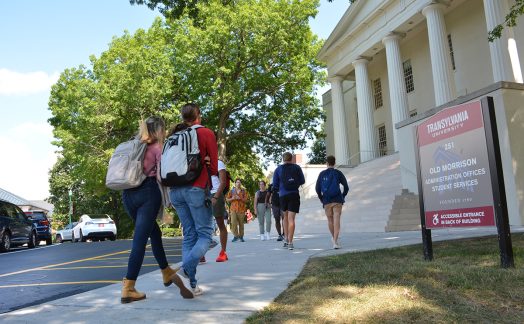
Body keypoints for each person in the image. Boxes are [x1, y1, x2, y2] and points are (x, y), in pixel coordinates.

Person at [121, 116, 176, 304]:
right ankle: (128, 287)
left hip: (128, 195)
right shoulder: (157, 148)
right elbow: (161, 177)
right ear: (159, 130)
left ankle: (166, 271)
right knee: (140, 240)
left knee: (155, 232)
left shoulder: (134, 144)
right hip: (147, 193)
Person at [167, 103, 218, 299]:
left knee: (189, 235)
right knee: (205, 236)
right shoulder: (205, 133)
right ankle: (183, 268)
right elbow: (213, 168)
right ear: (199, 115)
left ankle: (192, 284)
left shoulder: (174, 135)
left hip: (175, 191)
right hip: (196, 188)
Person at [272, 152, 305, 250]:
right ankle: (290, 242)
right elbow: (302, 180)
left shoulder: (278, 169)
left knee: (285, 218)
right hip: (294, 194)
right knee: (292, 219)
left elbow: (275, 185)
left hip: (282, 195)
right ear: (292, 159)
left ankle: (286, 239)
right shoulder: (297, 168)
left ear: (283, 159)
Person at [315, 155, 349, 249]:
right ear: (334, 163)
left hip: (327, 200)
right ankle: (335, 241)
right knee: (337, 219)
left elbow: (317, 188)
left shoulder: (322, 174)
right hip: (337, 199)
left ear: (327, 163)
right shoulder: (338, 173)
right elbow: (346, 187)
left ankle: (334, 239)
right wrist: (343, 196)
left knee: (330, 220)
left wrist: (321, 198)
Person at [211, 158, 229, 262]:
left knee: (220, 223)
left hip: (215, 194)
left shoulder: (218, 163)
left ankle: (223, 252)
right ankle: (201, 253)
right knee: (202, 225)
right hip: (204, 194)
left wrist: (216, 197)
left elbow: (223, 182)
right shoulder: (201, 163)